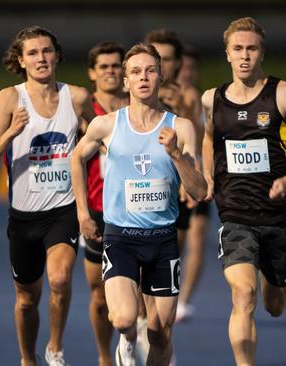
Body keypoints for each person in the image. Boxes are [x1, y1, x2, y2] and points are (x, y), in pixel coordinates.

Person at [71, 43, 206, 366]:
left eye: (149, 70)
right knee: (123, 319)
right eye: (135, 72)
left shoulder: (181, 127)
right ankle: (127, 342)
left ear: (161, 76)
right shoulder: (106, 125)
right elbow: (75, 158)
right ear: (126, 81)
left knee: (160, 332)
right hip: (120, 238)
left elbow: (199, 190)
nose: (143, 77)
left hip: (162, 240)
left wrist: (176, 155)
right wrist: (82, 214)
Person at [201, 17, 286, 366]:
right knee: (243, 293)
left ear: (261, 51)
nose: (245, 55)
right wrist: (208, 176)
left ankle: (280, 278)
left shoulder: (283, 94)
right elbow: (208, 138)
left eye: (251, 48)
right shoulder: (212, 100)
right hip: (235, 213)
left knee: (274, 305)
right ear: (227, 54)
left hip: (279, 216)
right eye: (238, 49)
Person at [0, 26, 95, 366]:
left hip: (63, 209)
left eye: (46, 51)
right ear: (21, 60)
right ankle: (28, 358)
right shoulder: (9, 99)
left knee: (59, 278)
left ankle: (55, 349)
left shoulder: (76, 97)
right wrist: (11, 132)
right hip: (24, 217)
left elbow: (100, 136)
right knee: (27, 300)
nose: (41, 58)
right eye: (32, 53)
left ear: (57, 55)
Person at [144, 29, 208, 323]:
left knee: (174, 252)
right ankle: (143, 319)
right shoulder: (137, 89)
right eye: (156, 58)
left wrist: (180, 106)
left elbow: (199, 137)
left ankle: (163, 318)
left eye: (167, 59)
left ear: (178, 63)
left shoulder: (188, 95)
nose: (161, 65)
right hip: (144, 185)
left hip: (180, 183)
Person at [83, 41, 129, 366]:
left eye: (116, 65)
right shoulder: (83, 113)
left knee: (139, 292)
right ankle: (104, 357)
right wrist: (81, 213)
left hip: (136, 211)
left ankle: (132, 341)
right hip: (99, 212)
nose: (111, 71)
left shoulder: (138, 107)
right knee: (99, 296)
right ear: (92, 73)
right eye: (104, 66)